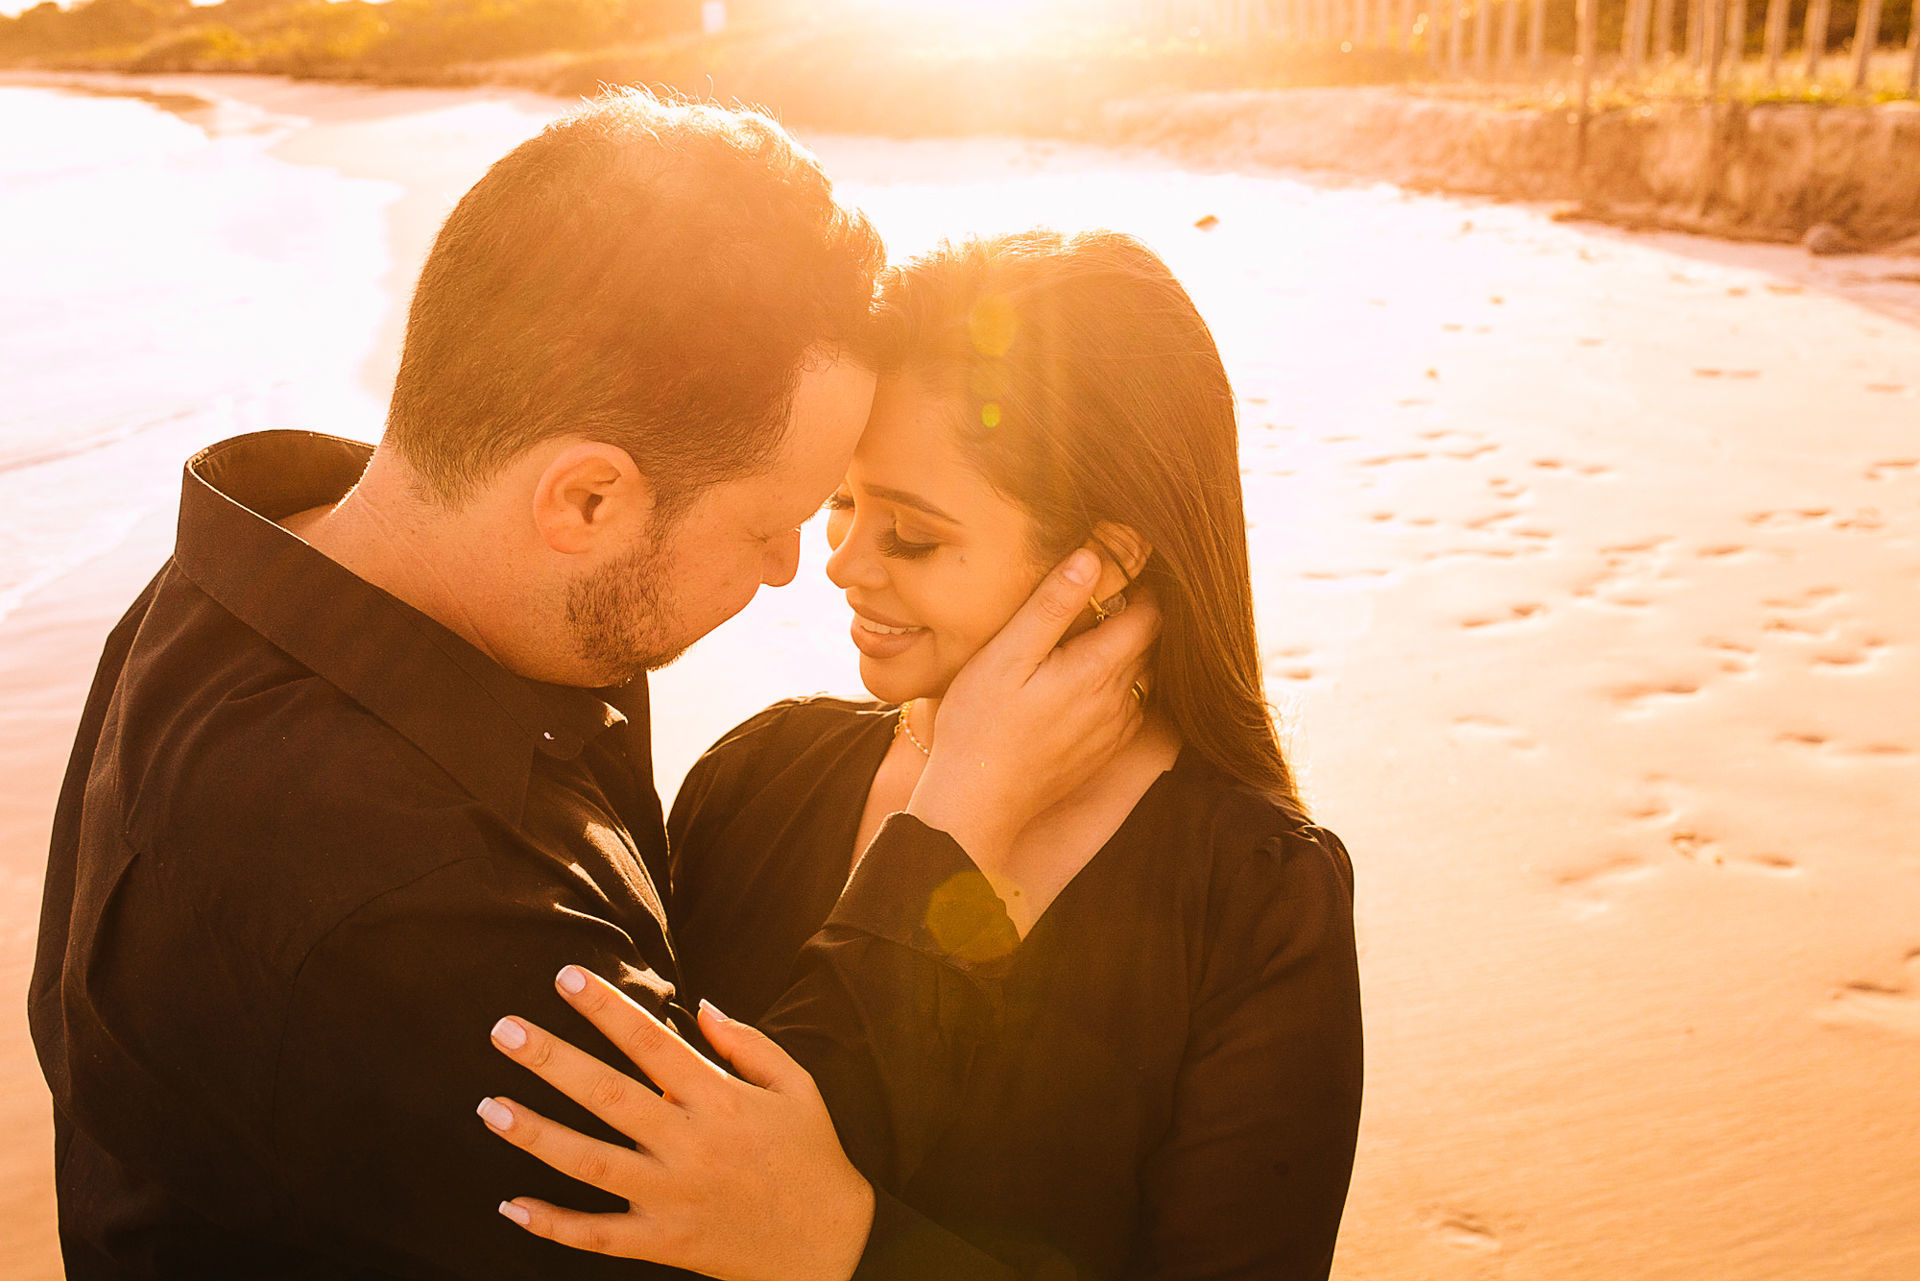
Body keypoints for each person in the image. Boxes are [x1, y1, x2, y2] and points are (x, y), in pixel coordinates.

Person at [28, 94, 1155, 1281]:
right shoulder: (412, 905)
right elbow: (743, 1199)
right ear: (586, 501)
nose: (794, 571)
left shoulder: (271, 565)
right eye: (774, 521)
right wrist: (958, 824)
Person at [475, 230, 1365, 1279]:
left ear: (1105, 563)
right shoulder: (759, 774)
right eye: (844, 505)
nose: (839, 566)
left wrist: (846, 1245)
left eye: (912, 535)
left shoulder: (1256, 899)